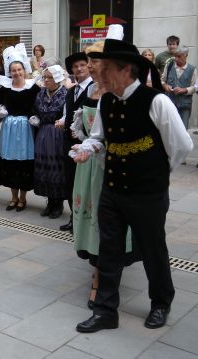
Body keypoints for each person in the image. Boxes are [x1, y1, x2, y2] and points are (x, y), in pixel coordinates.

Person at [73, 25, 193, 333]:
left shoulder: (157, 101)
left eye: (105, 69)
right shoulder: (106, 101)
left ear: (126, 70)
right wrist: (88, 148)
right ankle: (105, 311)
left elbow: (181, 146)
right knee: (109, 251)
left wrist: (157, 175)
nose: (98, 75)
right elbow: (100, 137)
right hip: (112, 192)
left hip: (148, 194)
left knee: (153, 249)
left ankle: (161, 302)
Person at [70, 40, 139, 310]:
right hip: (87, 165)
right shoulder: (90, 89)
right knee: (89, 217)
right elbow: (92, 132)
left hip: (110, 168)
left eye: (93, 60)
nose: (88, 65)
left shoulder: (121, 94)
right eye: (88, 61)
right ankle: (97, 265)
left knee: (107, 221)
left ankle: (102, 276)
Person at [0, 44, 40, 212]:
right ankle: (13, 197)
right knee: (10, 163)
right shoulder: (5, 88)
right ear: (9, 71)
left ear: (24, 69)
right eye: (13, 70)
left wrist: (36, 118)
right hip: (9, 130)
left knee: (24, 163)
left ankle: (23, 198)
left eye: (19, 69)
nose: (17, 73)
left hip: (26, 129)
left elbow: (38, 107)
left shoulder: (33, 88)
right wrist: (0, 112)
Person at [59, 51, 93, 232]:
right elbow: (67, 113)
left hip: (86, 144)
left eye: (82, 65)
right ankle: (74, 217)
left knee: (85, 182)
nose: (79, 69)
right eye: (75, 66)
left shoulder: (95, 89)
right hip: (68, 143)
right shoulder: (71, 90)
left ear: (89, 66)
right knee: (70, 181)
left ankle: (84, 221)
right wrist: (63, 122)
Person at [31, 65, 68, 218]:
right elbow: (34, 110)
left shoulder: (65, 94)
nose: (45, 80)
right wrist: (35, 118)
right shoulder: (40, 94)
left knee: (57, 168)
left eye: (49, 78)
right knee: (45, 169)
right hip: (43, 133)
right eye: (44, 77)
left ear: (58, 79)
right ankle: (49, 202)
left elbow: (67, 114)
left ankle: (58, 203)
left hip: (57, 134)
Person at [161, 45, 197, 130]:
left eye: (179, 56)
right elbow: (162, 80)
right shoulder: (169, 66)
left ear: (186, 56)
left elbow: (196, 86)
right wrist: (165, 85)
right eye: (175, 56)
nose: (176, 59)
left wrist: (185, 90)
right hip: (170, 104)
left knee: (183, 129)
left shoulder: (192, 69)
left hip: (185, 105)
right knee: (170, 129)